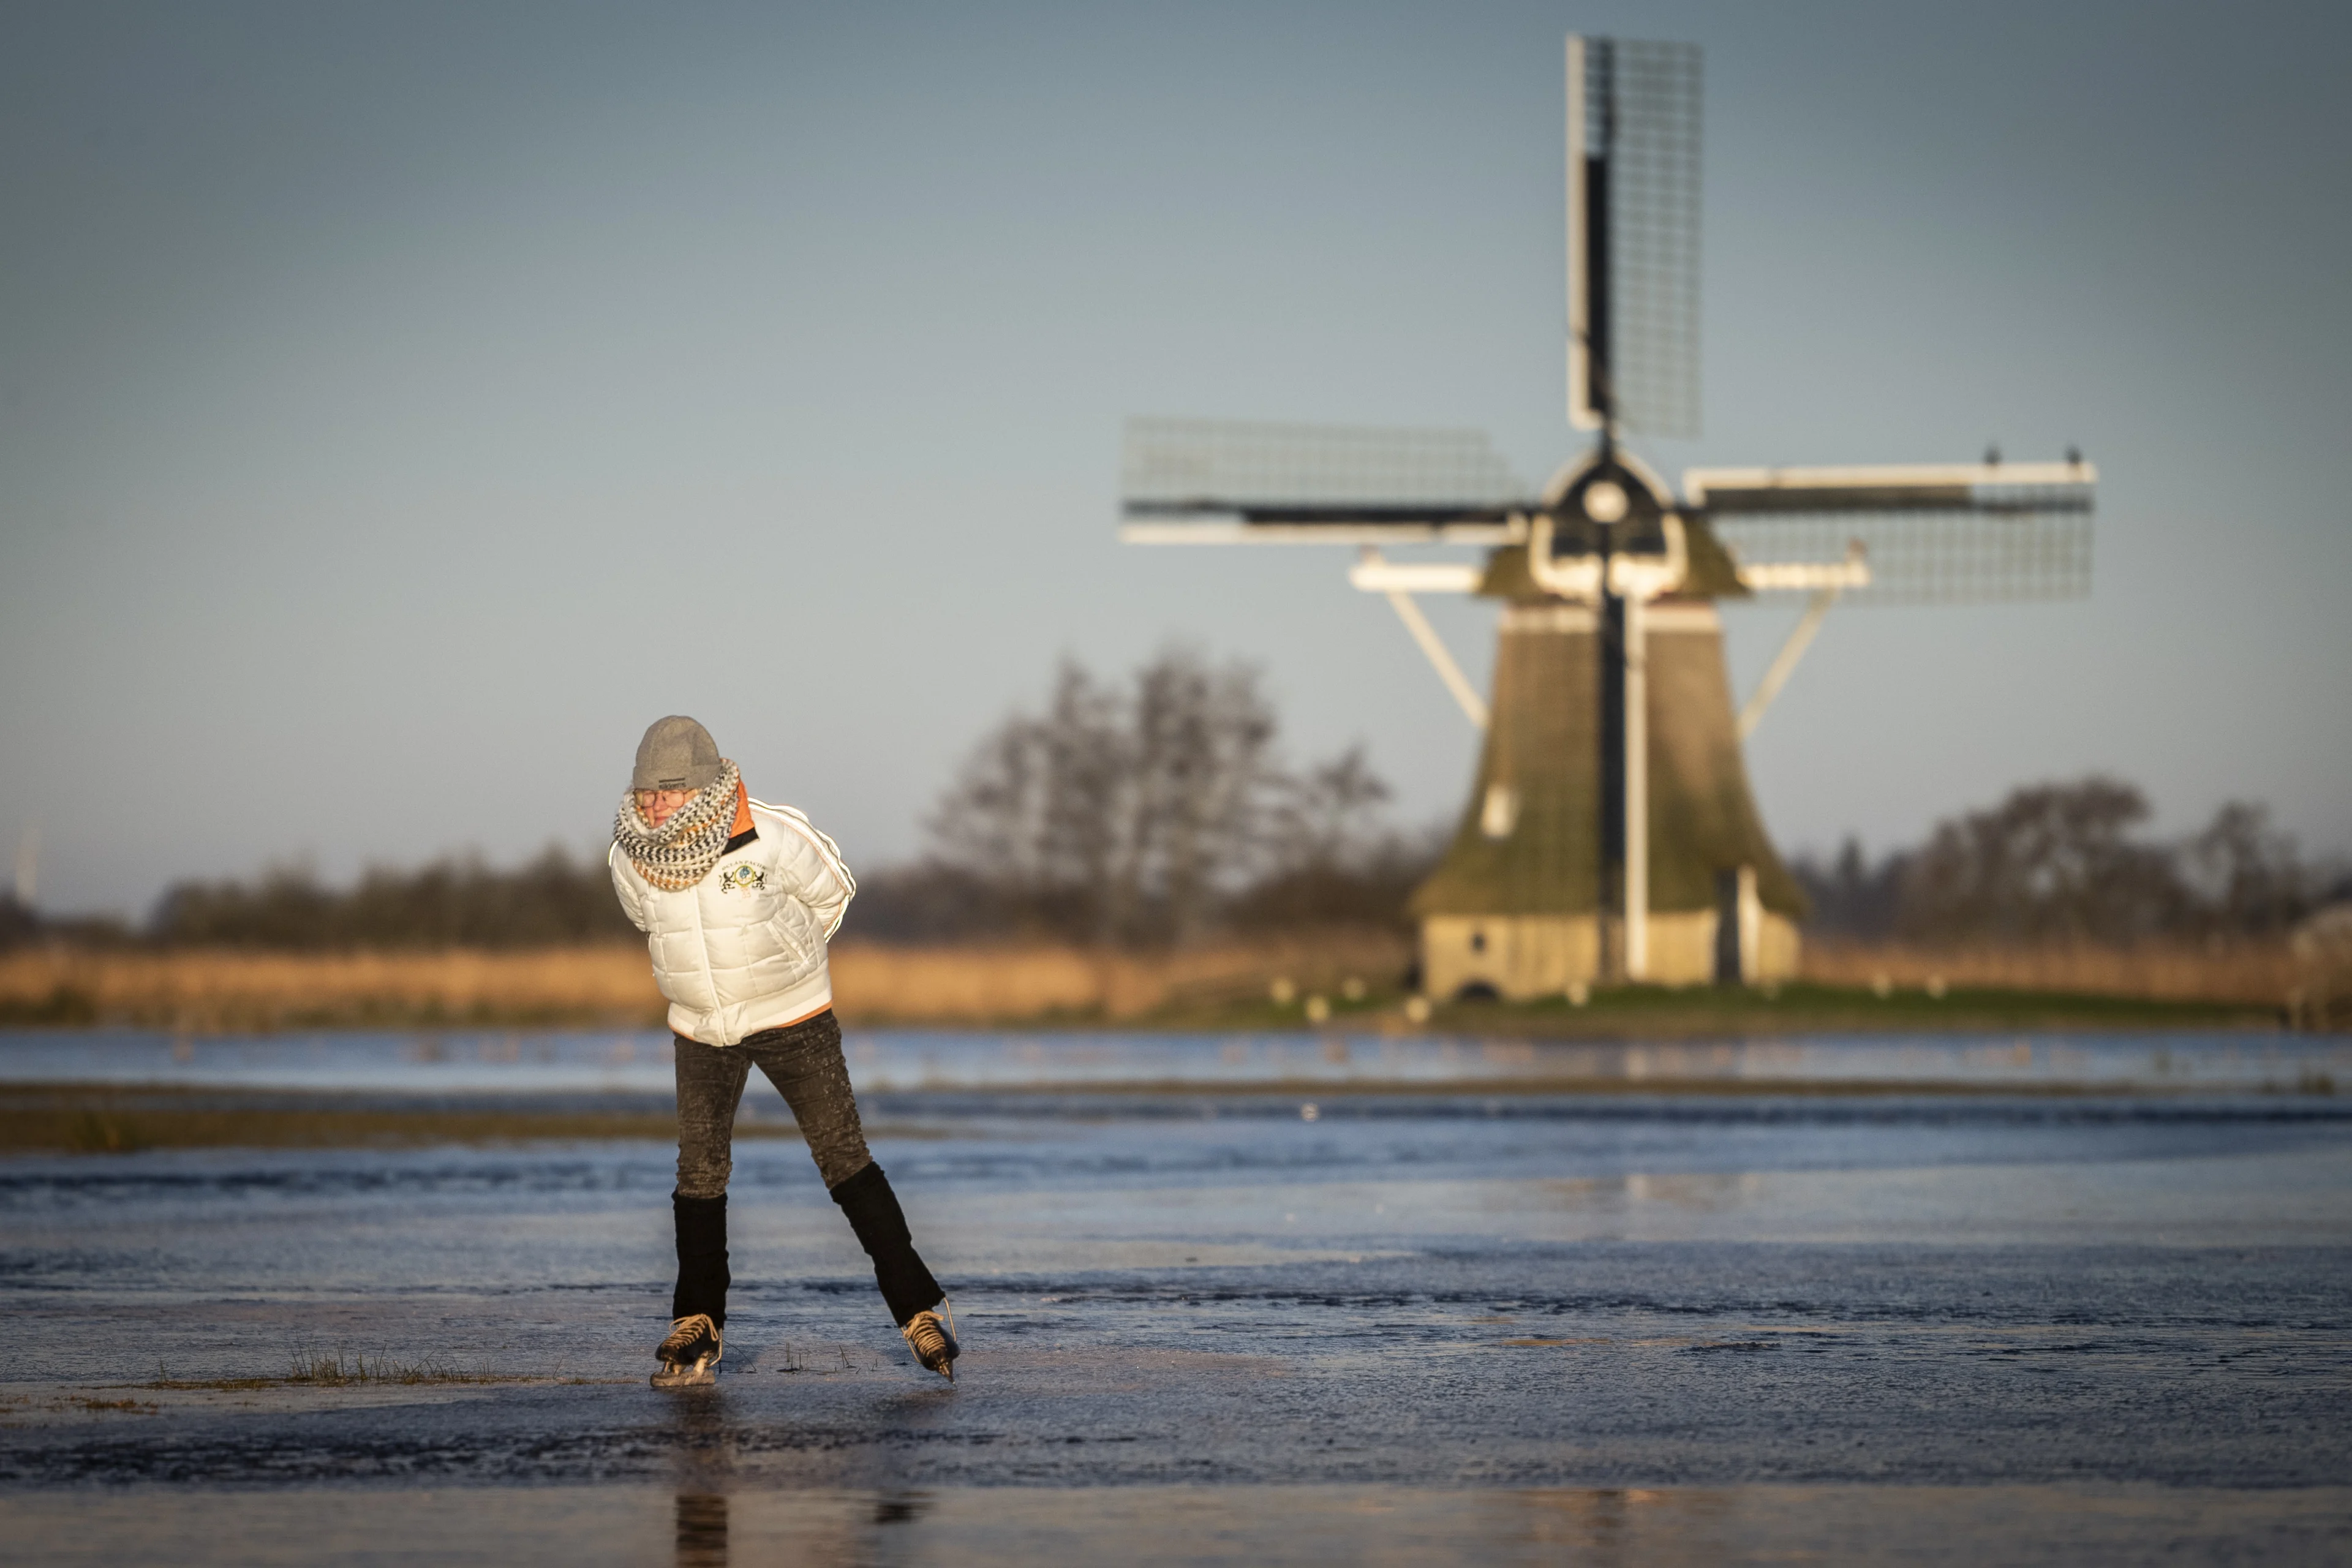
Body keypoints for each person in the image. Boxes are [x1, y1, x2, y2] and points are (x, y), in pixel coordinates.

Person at [608, 715, 957, 1389]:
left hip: (793, 1017)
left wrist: (788, 966)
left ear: (706, 786)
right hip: (701, 1027)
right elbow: (645, 919)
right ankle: (698, 1321)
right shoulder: (629, 853)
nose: (654, 802)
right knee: (699, 1175)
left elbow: (833, 892)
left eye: (670, 789)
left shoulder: (769, 831)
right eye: (646, 789)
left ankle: (918, 1308)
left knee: (844, 1162)